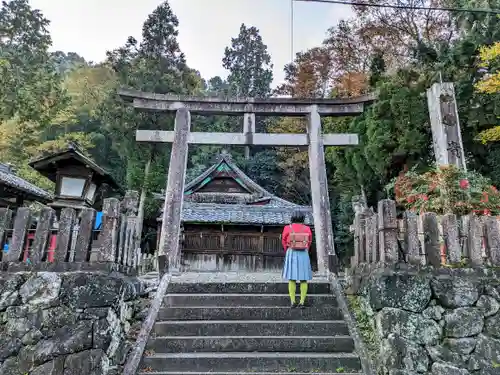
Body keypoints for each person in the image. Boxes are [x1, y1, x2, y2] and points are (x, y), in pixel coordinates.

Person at [281, 211, 313, 308]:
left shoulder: (287, 228)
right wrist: (305, 249)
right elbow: (309, 241)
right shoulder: (307, 228)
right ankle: (302, 302)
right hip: (303, 253)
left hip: (291, 252)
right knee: (303, 279)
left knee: (292, 278)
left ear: (292, 218)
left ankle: (293, 301)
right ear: (302, 218)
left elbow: (283, 240)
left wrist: (287, 249)